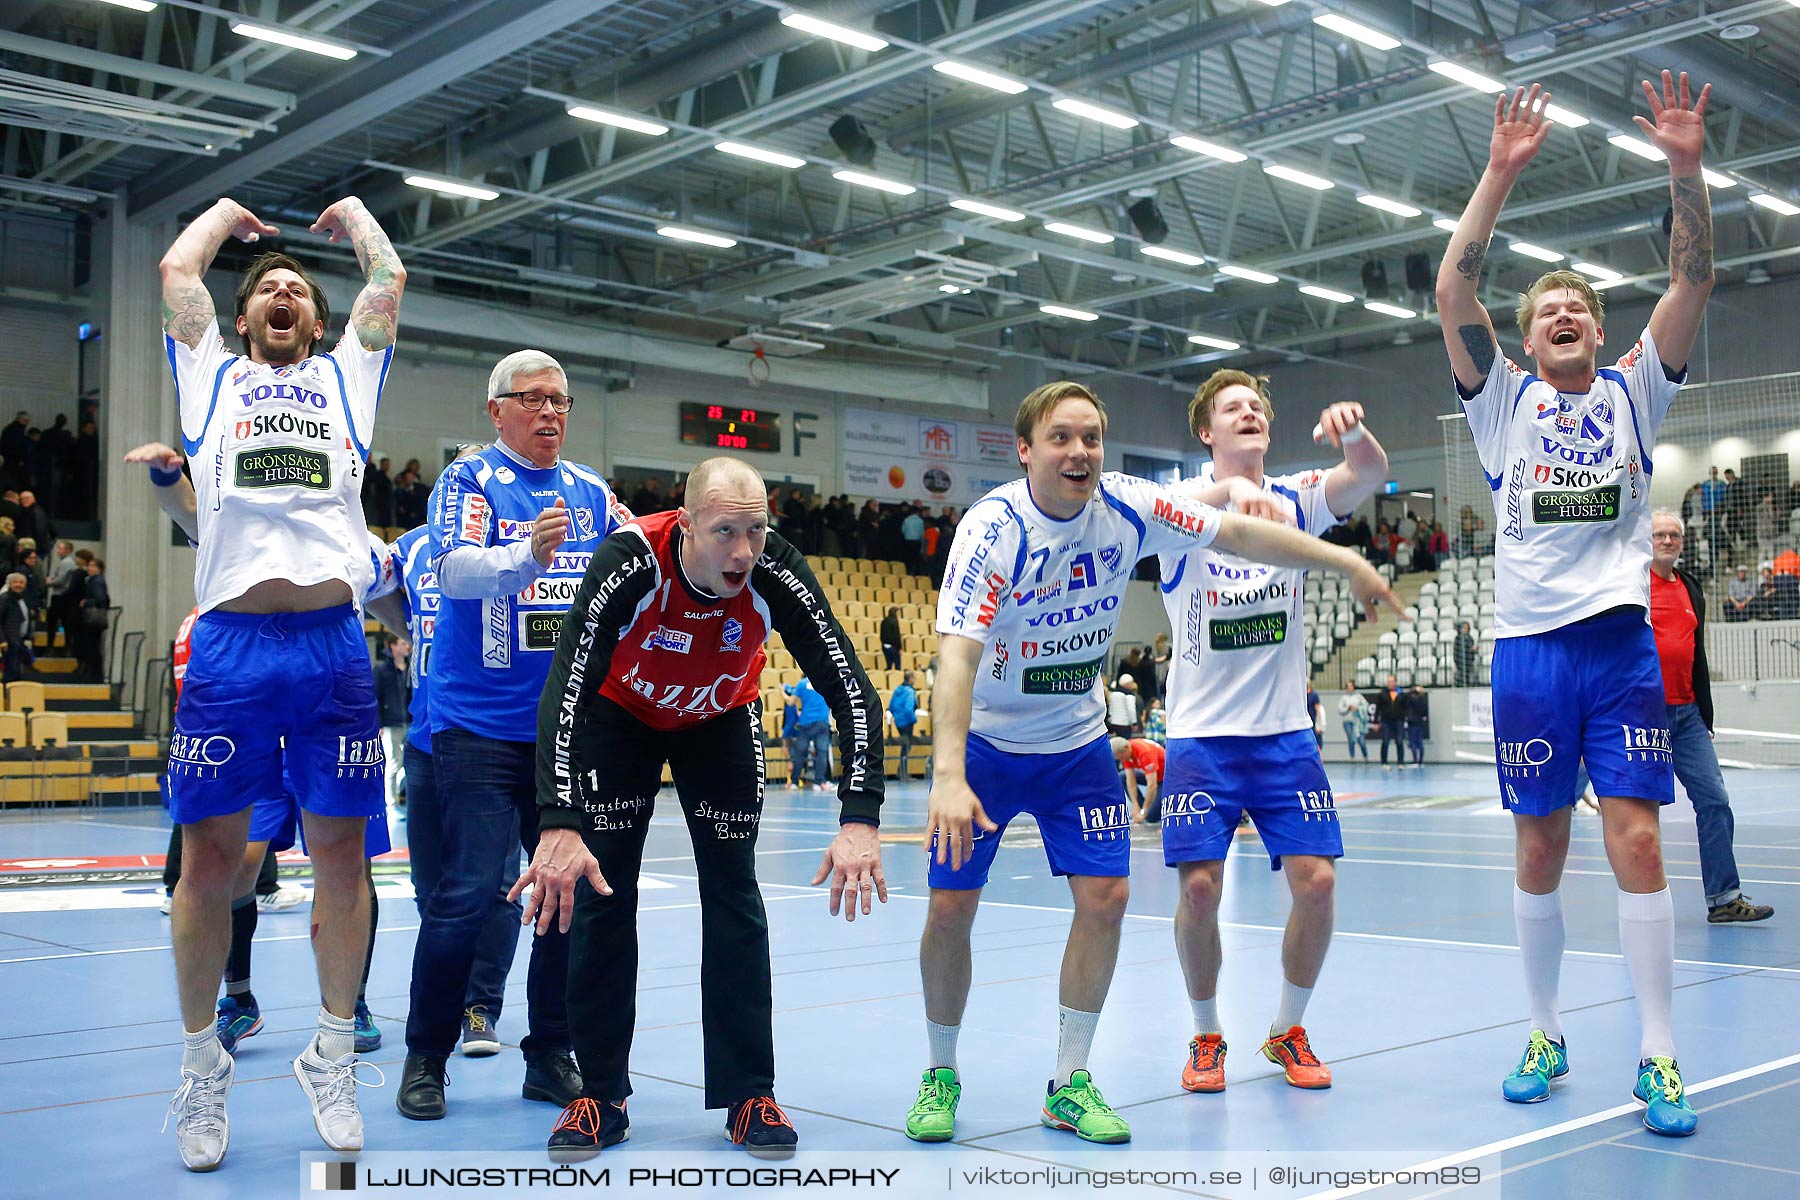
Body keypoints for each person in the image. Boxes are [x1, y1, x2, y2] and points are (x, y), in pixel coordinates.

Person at [904, 380, 1399, 1145]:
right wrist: (947, 775)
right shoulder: (992, 528)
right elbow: (957, 658)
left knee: (1105, 899)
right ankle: (940, 1070)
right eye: (1062, 438)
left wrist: (1342, 560)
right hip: (990, 743)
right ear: (1026, 449)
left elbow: (1236, 535)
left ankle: (1069, 1082)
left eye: (1092, 437)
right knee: (949, 908)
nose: (1080, 452)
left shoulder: (1129, 506)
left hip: (1075, 741)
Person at [1435, 73, 1715, 1136]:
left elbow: (1693, 278)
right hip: (1529, 658)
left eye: (1579, 307)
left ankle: (1657, 1052)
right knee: (1541, 847)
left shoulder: (1637, 392)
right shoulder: (1498, 402)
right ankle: (1545, 1028)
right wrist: (1498, 174)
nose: (1563, 314)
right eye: (1546, 309)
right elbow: (1454, 291)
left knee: (1637, 843)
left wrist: (1685, 164)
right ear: (1529, 336)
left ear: (1599, 332)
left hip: (1618, 652)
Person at [508, 456, 886, 1159]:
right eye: (724, 533)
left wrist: (860, 814)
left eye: (756, 531)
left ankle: (749, 1094)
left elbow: (852, 690)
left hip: (720, 720)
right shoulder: (631, 563)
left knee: (734, 895)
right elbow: (565, 688)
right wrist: (558, 818)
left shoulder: (777, 573)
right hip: (619, 720)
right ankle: (599, 1094)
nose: (743, 552)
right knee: (604, 895)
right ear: (684, 527)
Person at [155, 189, 406, 1169]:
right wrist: (224, 215)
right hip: (229, 650)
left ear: (317, 320)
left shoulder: (348, 380)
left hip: (332, 648)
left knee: (343, 861)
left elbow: (386, 282)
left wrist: (357, 218)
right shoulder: (209, 379)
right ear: (247, 316)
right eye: (269, 288)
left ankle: (333, 1053)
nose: (286, 293)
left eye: (301, 288)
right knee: (212, 864)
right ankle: (200, 1067)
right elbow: (179, 274)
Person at [397, 350, 630, 1122]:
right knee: (465, 897)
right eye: (532, 399)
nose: (551, 412)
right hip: (477, 729)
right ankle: (426, 1058)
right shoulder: (467, 482)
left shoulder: (590, 491)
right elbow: (457, 571)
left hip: (565, 734)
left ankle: (549, 1053)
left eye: (561, 399)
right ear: (496, 410)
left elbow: (633, 566)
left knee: (565, 897)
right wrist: (525, 555)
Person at [1156, 370, 1388, 1096]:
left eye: (1257, 405)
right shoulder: (1179, 507)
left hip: (1284, 733)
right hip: (1201, 737)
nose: (1249, 411)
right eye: (1233, 407)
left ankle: (1288, 1028)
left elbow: (1372, 473)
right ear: (1207, 432)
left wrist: (1352, 430)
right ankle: (1205, 1035)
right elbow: (1147, 504)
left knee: (1316, 882)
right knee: (1199, 892)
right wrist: (1227, 496)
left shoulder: (1295, 497)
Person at [389, 518, 525, 1058]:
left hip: (491, 737)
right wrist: (407, 625)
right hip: (426, 738)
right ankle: (443, 1007)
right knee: (433, 887)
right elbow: (375, 586)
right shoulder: (415, 546)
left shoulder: (514, 547)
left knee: (497, 884)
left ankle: (481, 1007)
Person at [1647, 511, 1773, 924]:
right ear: (1646, 541)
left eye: (1674, 535)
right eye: (1659, 535)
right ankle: (1641, 905)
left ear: (1682, 541)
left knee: (1715, 801)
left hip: (1688, 716)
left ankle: (1724, 899)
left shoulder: (1690, 588)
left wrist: (1707, 716)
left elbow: (1696, 654)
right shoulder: (1630, 587)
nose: (1667, 540)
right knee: (1640, 812)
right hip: (1642, 716)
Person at [1110, 736, 1163, 824]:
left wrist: (1144, 811)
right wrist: (1135, 805)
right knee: (1123, 776)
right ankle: (1142, 806)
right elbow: (1130, 779)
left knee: (1150, 817)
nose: (1122, 760)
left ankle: (1147, 808)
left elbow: (1152, 785)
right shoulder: (1126, 751)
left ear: (1126, 749)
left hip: (1165, 779)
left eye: (1121, 757)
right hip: (1154, 776)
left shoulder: (1145, 752)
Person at [72, 555, 109, 682]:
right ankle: (93, 672)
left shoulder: (96, 581)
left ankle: (95, 674)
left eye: (93, 566)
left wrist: (86, 602)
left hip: (93, 619)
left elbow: (101, 599)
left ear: (99, 568)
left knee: (92, 645)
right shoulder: (93, 580)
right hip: (94, 620)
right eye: (89, 565)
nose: (90, 568)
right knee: (92, 645)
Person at [0, 572, 32, 682]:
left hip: (20, 640)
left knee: (18, 672)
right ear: (9, 584)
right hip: (9, 642)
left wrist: (28, 637)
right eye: (15, 582)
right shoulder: (4, 599)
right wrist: (2, 640)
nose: (18, 585)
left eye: (21, 582)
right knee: (10, 673)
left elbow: (27, 619)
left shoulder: (24, 599)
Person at [889, 670, 920, 781]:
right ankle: (903, 773)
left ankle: (901, 771)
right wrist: (914, 719)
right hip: (907, 721)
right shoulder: (910, 691)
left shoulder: (898, 689)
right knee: (907, 746)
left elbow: (891, 706)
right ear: (910, 679)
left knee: (905, 746)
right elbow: (908, 708)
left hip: (899, 722)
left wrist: (898, 717)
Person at [1374, 675, 1406, 767]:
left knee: (1399, 741)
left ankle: (1400, 762)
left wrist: (1404, 718)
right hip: (1386, 721)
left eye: (1391, 682)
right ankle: (1384, 762)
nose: (1389, 684)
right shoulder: (1382, 694)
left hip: (1398, 721)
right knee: (1385, 741)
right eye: (1388, 682)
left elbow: (1405, 707)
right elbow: (1378, 708)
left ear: (1395, 682)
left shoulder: (1401, 694)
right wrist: (1376, 722)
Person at [1337, 687, 1370, 760]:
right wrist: (1347, 708)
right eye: (1348, 687)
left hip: (1358, 722)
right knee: (1351, 739)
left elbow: (1366, 705)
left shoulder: (1358, 696)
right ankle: (1352, 757)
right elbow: (1340, 710)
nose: (1350, 688)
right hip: (1348, 721)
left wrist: (1358, 708)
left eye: (1351, 686)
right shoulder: (1344, 698)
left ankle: (1365, 756)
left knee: (1361, 740)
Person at [1105, 674, 1138, 738]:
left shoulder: (1113, 693)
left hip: (1113, 723)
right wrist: (1134, 722)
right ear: (1128, 684)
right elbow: (1131, 709)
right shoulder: (1129, 694)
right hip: (1124, 725)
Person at [1405, 683, 1429, 766]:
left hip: (1412, 722)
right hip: (1420, 722)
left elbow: (1407, 698)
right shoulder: (1423, 699)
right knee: (1419, 741)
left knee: (1413, 742)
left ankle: (1415, 760)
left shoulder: (1411, 699)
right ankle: (1421, 760)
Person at [900, 504, 925, 573]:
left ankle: (907, 571)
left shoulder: (906, 520)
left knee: (907, 558)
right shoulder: (920, 521)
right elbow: (922, 532)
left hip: (907, 541)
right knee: (916, 559)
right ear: (918, 512)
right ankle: (915, 573)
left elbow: (903, 530)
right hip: (916, 542)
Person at [880, 606, 903, 672]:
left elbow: (881, 634)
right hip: (893, 646)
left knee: (889, 666)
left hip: (885, 645)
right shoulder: (894, 621)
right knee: (897, 667)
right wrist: (899, 648)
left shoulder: (884, 620)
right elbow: (896, 635)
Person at [1455, 620, 1478, 686]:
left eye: (1466, 628)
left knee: (1467, 677)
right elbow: (1457, 650)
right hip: (1460, 661)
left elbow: (1472, 648)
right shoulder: (1458, 638)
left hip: (1468, 661)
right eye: (1464, 628)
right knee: (1461, 677)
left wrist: (1473, 649)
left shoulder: (1470, 638)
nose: (1465, 630)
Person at [1304, 678, 1323, 750]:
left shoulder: (1314, 695)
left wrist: (1319, 723)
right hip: (1306, 722)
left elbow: (1318, 710)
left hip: (1313, 721)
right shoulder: (1303, 695)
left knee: (1317, 741)